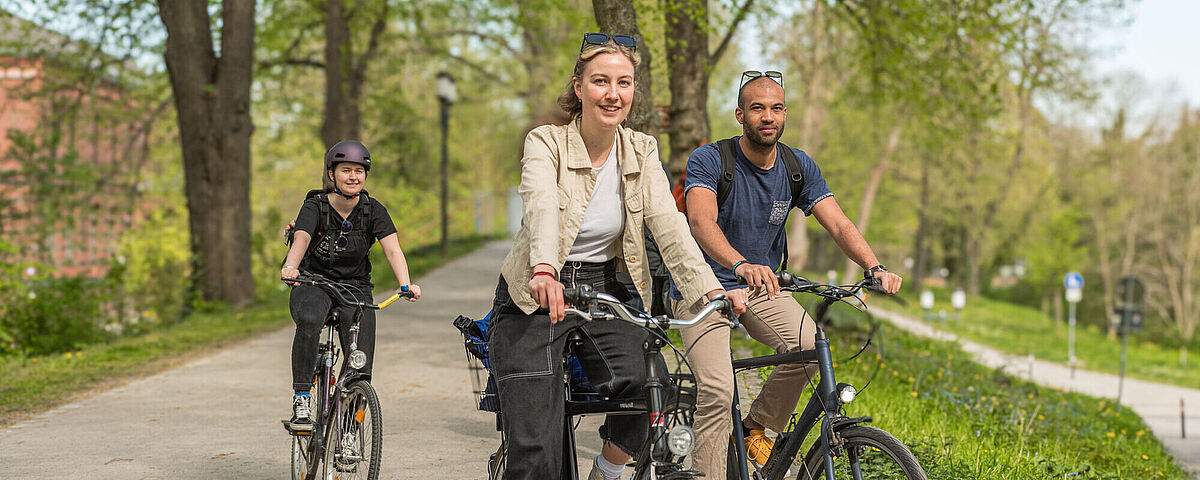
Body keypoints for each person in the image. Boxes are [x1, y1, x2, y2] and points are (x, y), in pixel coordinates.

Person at [488, 33, 724, 480]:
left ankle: (607, 472)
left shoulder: (642, 149)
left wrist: (709, 291)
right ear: (579, 87)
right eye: (600, 81)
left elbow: (668, 224)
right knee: (535, 445)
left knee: (652, 390)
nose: (613, 94)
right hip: (535, 294)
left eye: (624, 83)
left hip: (602, 290)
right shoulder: (546, 142)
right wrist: (544, 269)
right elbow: (540, 205)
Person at [670, 71, 903, 479]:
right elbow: (701, 223)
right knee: (718, 391)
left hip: (762, 287)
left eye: (776, 108)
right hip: (703, 286)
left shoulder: (797, 166)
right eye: (758, 108)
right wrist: (739, 264)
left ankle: (753, 430)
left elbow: (839, 224)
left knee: (812, 349)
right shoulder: (710, 159)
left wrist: (874, 266)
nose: (768, 116)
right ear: (740, 114)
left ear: (784, 114)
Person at [280, 140, 421, 431]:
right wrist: (291, 266)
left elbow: (392, 249)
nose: (353, 176)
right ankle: (302, 398)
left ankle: (348, 431)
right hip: (312, 281)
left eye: (359, 171)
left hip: (355, 286)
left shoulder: (373, 210)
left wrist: (405, 284)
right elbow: (302, 238)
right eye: (346, 170)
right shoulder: (314, 206)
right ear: (332, 174)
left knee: (361, 362)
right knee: (309, 320)